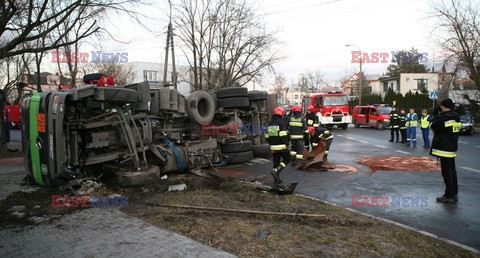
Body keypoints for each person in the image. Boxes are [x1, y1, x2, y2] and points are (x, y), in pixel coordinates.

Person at [430, 99, 461, 203]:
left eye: (442, 106)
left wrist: (436, 114)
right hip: (451, 148)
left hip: (444, 148)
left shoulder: (445, 117)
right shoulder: (455, 117)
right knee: (452, 172)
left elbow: (433, 126)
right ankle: (454, 193)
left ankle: (449, 196)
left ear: (446, 107)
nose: (441, 107)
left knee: (447, 172)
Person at [265, 107, 290, 185]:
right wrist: (287, 144)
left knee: (276, 162)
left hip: (273, 146)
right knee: (287, 159)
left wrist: (271, 143)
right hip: (281, 146)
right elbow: (283, 135)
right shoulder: (281, 122)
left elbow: (267, 136)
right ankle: (277, 171)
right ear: (281, 114)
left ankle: (276, 179)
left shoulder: (269, 123)